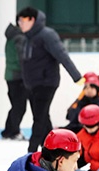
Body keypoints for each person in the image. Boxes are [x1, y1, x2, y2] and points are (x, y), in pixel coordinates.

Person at [17, 7, 82, 153]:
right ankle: (51, 149)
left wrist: (76, 76)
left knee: (39, 118)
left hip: (46, 83)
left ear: (32, 19)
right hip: (32, 85)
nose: (20, 24)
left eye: (22, 20)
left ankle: (32, 152)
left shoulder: (47, 35)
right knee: (42, 118)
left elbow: (62, 55)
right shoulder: (27, 38)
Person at [1, 22, 28, 141]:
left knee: (16, 106)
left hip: (11, 76)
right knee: (19, 106)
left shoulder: (11, 38)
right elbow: (22, 58)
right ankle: (13, 131)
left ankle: (8, 131)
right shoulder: (20, 38)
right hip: (18, 77)